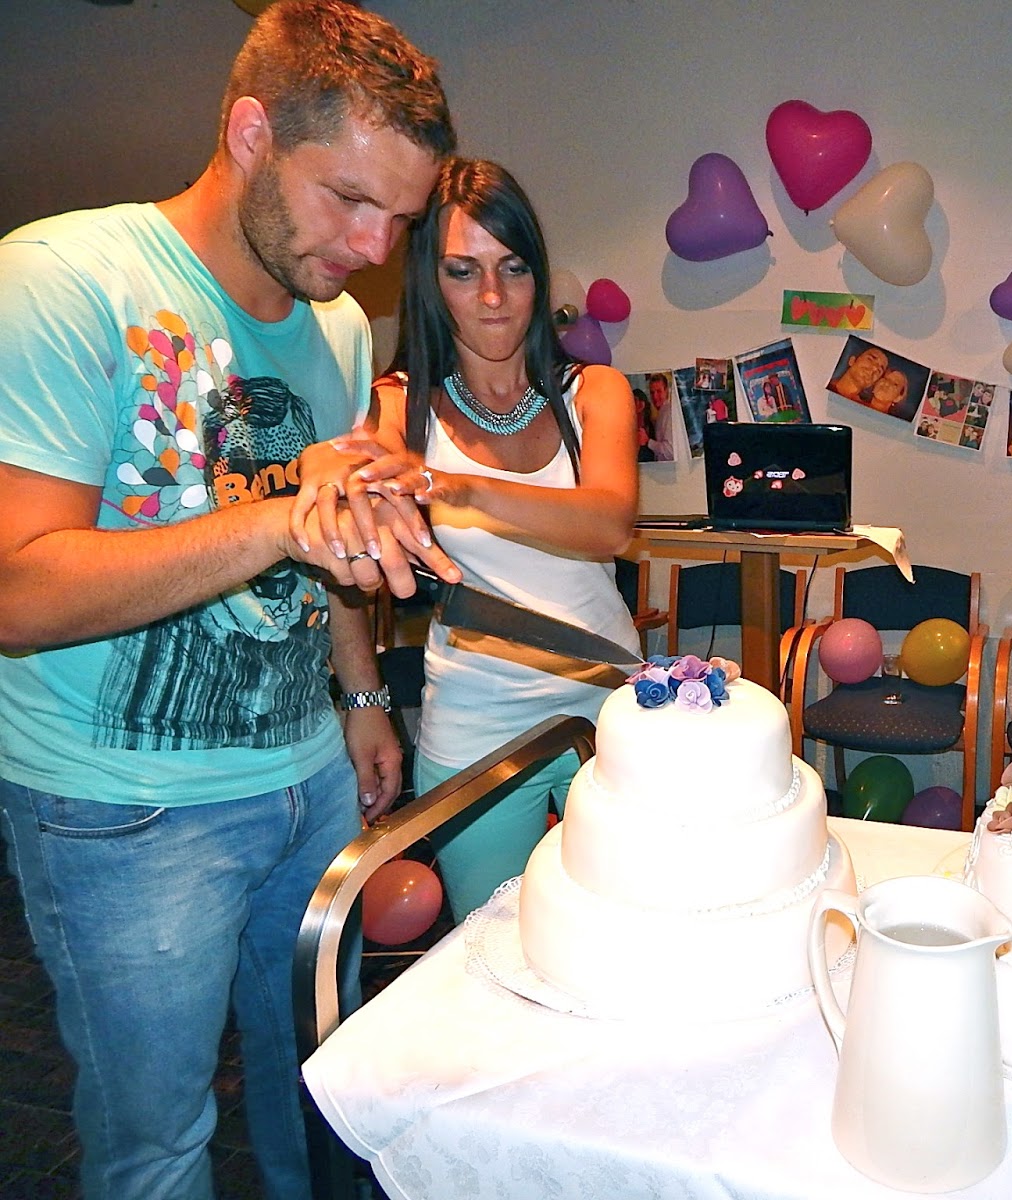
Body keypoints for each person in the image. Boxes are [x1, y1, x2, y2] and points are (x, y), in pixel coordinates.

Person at [0, 3, 455, 1197]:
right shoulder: (63, 281)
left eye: (400, 218)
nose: (373, 245)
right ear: (251, 133)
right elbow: (17, 589)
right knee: (159, 1146)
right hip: (124, 809)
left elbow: (327, 537)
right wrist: (276, 518)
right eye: (347, 198)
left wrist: (361, 692)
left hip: (306, 778)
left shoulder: (337, 324)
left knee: (317, 1089)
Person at [349, 158, 638, 919]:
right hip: (475, 719)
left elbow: (609, 522)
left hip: (609, 703)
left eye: (513, 267)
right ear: (429, 281)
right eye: (462, 270)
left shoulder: (594, 391)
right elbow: (358, 551)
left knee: (627, 928)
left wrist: (458, 486)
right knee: (486, 940)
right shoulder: (396, 409)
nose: (492, 296)